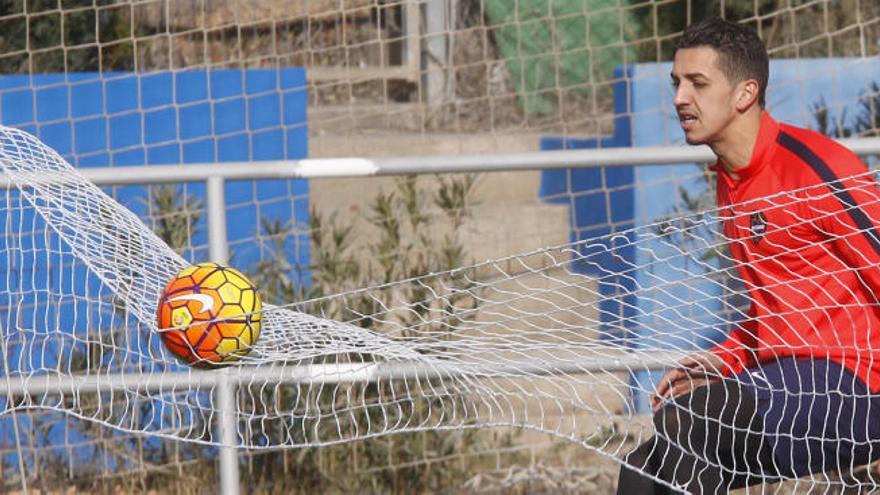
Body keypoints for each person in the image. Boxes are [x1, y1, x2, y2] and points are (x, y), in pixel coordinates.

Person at [617, 16, 880, 494]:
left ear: (744, 94)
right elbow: (772, 313)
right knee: (642, 470)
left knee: (691, 421)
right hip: (782, 383)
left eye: (698, 83)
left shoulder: (817, 169)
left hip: (856, 386)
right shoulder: (731, 179)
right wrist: (719, 361)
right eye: (677, 83)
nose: (680, 98)